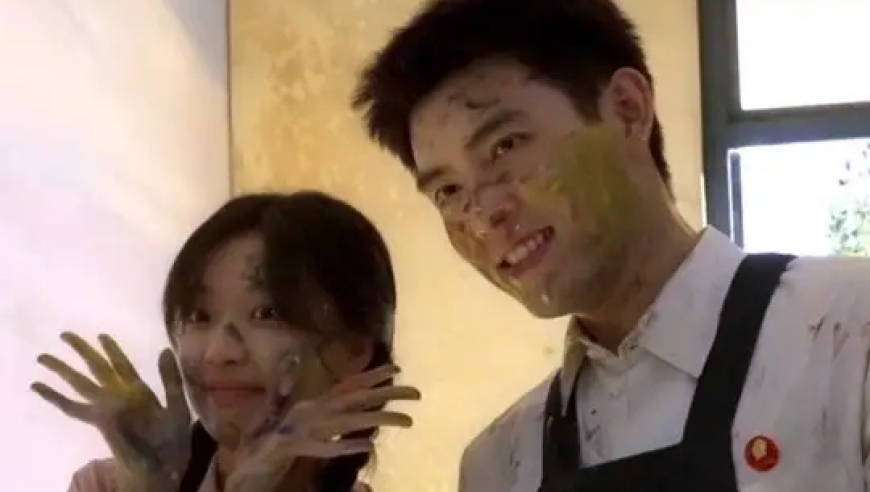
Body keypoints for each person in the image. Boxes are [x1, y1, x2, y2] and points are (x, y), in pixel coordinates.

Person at [353, 0, 870, 490]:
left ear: (627, 109)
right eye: (448, 191)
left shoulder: (847, 336)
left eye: (505, 146)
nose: (484, 217)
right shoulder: (501, 465)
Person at [32, 192, 421, 492]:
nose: (219, 354)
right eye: (199, 316)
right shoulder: (108, 487)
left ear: (353, 350)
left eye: (267, 314)